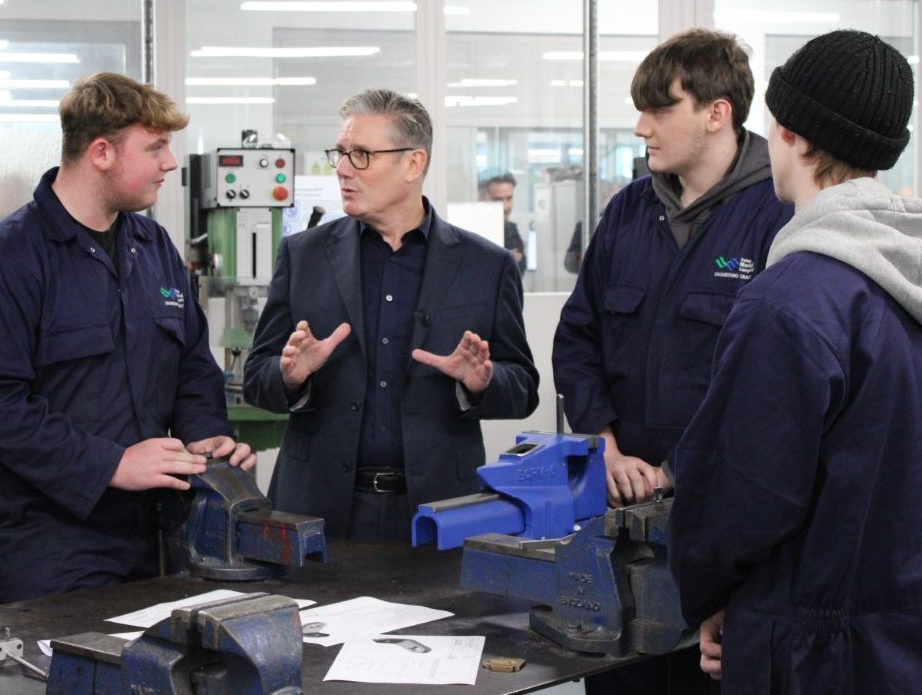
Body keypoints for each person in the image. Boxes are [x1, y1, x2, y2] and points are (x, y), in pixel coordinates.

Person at [667, 30, 922, 693]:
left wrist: (709, 597)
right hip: (915, 643)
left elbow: (739, 494)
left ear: (795, 136)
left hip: (806, 650)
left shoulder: (789, 301)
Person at [0, 72, 256, 608]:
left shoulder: (152, 245)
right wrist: (111, 464)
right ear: (101, 152)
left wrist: (206, 441)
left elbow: (190, 367)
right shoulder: (8, 259)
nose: (170, 163)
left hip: (141, 532)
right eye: (156, 147)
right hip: (36, 539)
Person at [551, 28, 793, 694]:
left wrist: (672, 471)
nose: (640, 127)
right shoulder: (628, 211)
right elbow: (577, 337)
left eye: (660, 109)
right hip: (618, 521)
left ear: (717, 112)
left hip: (727, 533)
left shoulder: (779, 217)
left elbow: (775, 390)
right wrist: (603, 445)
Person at [243, 89, 539, 543]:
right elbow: (257, 378)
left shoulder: (487, 265)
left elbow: (522, 388)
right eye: (340, 154)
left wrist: (482, 382)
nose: (341, 169)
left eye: (360, 155)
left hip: (437, 510)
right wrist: (291, 377)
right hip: (316, 509)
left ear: (413, 163)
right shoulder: (304, 255)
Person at [480, 172, 526, 274]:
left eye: (509, 199)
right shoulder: (476, 231)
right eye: (498, 200)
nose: (506, 206)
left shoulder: (511, 229)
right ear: (484, 199)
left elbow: (520, 267)